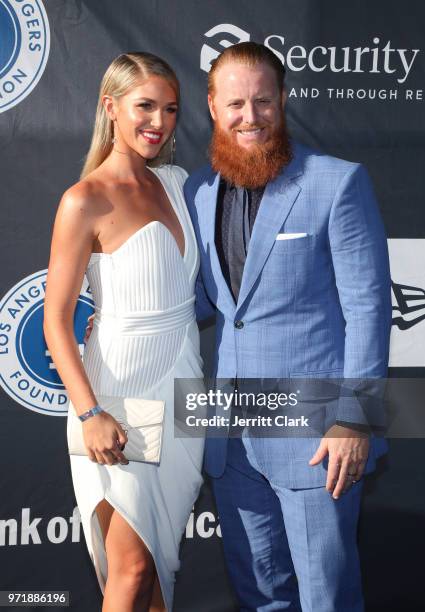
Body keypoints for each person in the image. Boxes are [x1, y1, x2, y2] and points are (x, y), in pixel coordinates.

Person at [183, 42, 392, 611]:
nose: (249, 116)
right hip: (231, 433)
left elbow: (369, 309)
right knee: (259, 593)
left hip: (316, 434)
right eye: (235, 104)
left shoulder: (336, 182)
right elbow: (212, 302)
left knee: (327, 596)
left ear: (283, 102)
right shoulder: (196, 191)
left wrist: (355, 417)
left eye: (263, 101)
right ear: (212, 105)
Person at [43, 52, 204, 612]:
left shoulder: (179, 183)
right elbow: (55, 319)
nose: (157, 121)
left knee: (159, 563)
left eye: (170, 109)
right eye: (144, 106)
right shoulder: (84, 200)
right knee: (131, 568)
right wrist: (90, 414)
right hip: (118, 393)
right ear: (110, 107)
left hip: (185, 385)